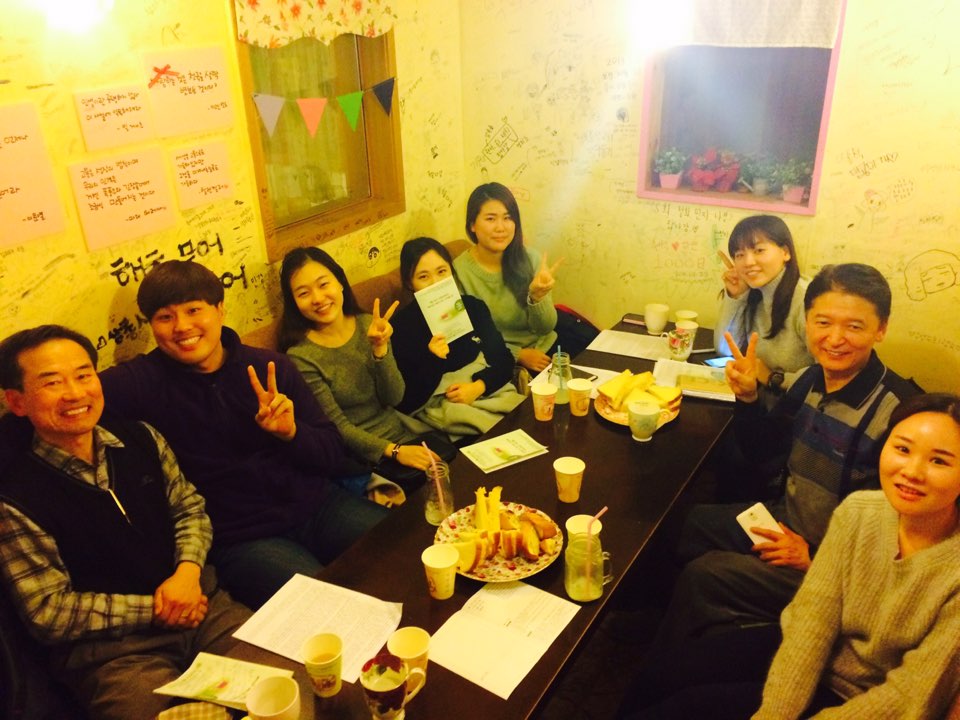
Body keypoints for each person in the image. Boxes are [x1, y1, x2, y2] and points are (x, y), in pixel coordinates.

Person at [620, 394, 960, 719]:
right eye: (902, 449)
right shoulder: (860, 512)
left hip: (860, 697)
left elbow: (910, 695)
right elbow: (813, 618)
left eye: (939, 461)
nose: (912, 471)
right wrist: (777, 710)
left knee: (688, 708)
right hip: (814, 656)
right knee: (663, 674)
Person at [97, 259, 389, 610]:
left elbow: (331, 452)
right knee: (322, 607)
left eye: (194, 310)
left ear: (220, 310)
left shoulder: (270, 367)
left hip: (318, 506)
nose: (182, 326)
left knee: (406, 547)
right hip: (242, 538)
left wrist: (292, 433)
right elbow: (77, 397)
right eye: (165, 317)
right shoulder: (142, 382)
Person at [657, 263, 917, 648]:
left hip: (830, 566)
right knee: (688, 521)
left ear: (881, 329)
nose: (835, 339)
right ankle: (657, 620)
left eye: (854, 326)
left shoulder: (898, 414)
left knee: (705, 574)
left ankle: (677, 655)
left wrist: (812, 553)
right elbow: (762, 453)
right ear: (807, 322)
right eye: (823, 322)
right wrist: (748, 398)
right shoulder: (812, 379)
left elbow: (903, 533)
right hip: (785, 521)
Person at [0, 325, 252, 720]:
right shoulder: (15, 499)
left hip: (204, 609)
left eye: (83, 375)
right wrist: (156, 608)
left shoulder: (141, 438)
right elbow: (49, 610)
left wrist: (188, 574)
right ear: (17, 402)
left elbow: (189, 508)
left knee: (288, 681)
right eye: (52, 382)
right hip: (116, 655)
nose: (75, 392)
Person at [278, 246, 457, 493]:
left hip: (402, 433)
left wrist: (380, 350)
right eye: (303, 293)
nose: (318, 298)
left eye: (323, 284)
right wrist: (394, 451)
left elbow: (394, 397)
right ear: (294, 302)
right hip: (360, 459)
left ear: (340, 283)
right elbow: (338, 428)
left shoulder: (369, 325)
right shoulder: (301, 357)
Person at [391, 237, 525, 438]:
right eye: (424, 277)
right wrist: (433, 359)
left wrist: (478, 387)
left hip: (485, 389)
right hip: (444, 404)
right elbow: (406, 400)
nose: (436, 283)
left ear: (451, 272)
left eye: (442, 272)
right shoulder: (401, 326)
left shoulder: (472, 307)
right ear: (410, 283)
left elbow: (504, 360)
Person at [453, 182, 561, 373]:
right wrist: (518, 354)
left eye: (507, 218)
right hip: (496, 357)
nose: (501, 227)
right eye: (490, 218)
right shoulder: (459, 272)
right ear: (472, 225)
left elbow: (546, 328)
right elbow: (467, 336)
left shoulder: (531, 259)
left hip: (545, 347)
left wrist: (537, 298)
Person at [714, 215, 814, 390]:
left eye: (759, 250)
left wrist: (772, 378)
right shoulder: (755, 292)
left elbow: (829, 375)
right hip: (757, 395)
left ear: (786, 252)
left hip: (794, 403)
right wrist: (737, 296)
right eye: (740, 254)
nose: (748, 262)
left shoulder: (807, 300)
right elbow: (725, 350)